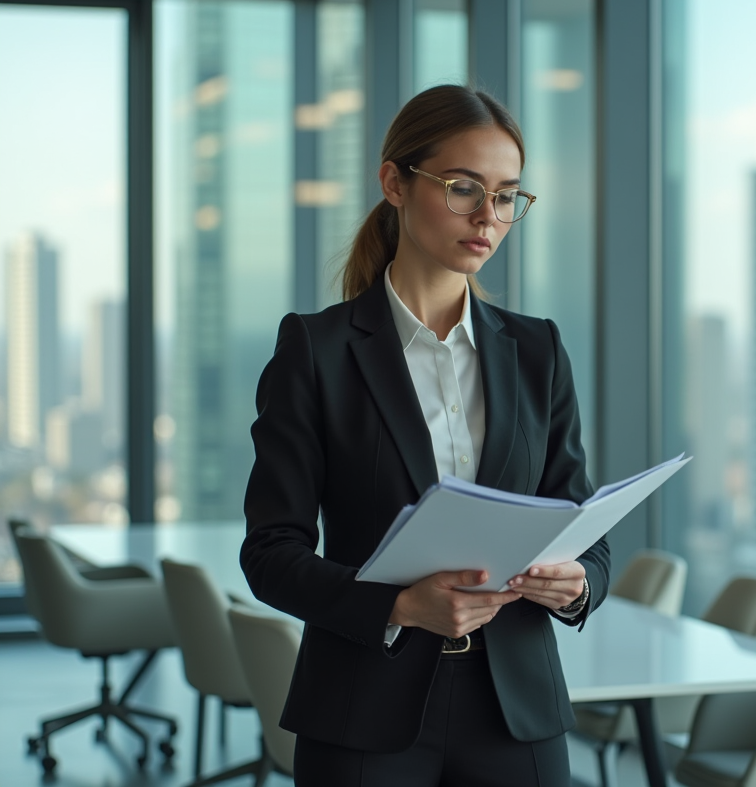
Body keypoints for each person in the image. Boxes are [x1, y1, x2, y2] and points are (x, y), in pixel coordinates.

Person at [241, 85, 609, 787]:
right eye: (465, 188)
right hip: (362, 715)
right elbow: (269, 553)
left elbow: (585, 530)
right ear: (394, 184)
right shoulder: (316, 351)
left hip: (517, 715)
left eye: (506, 196)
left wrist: (578, 583)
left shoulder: (539, 352)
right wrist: (400, 605)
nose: (488, 217)